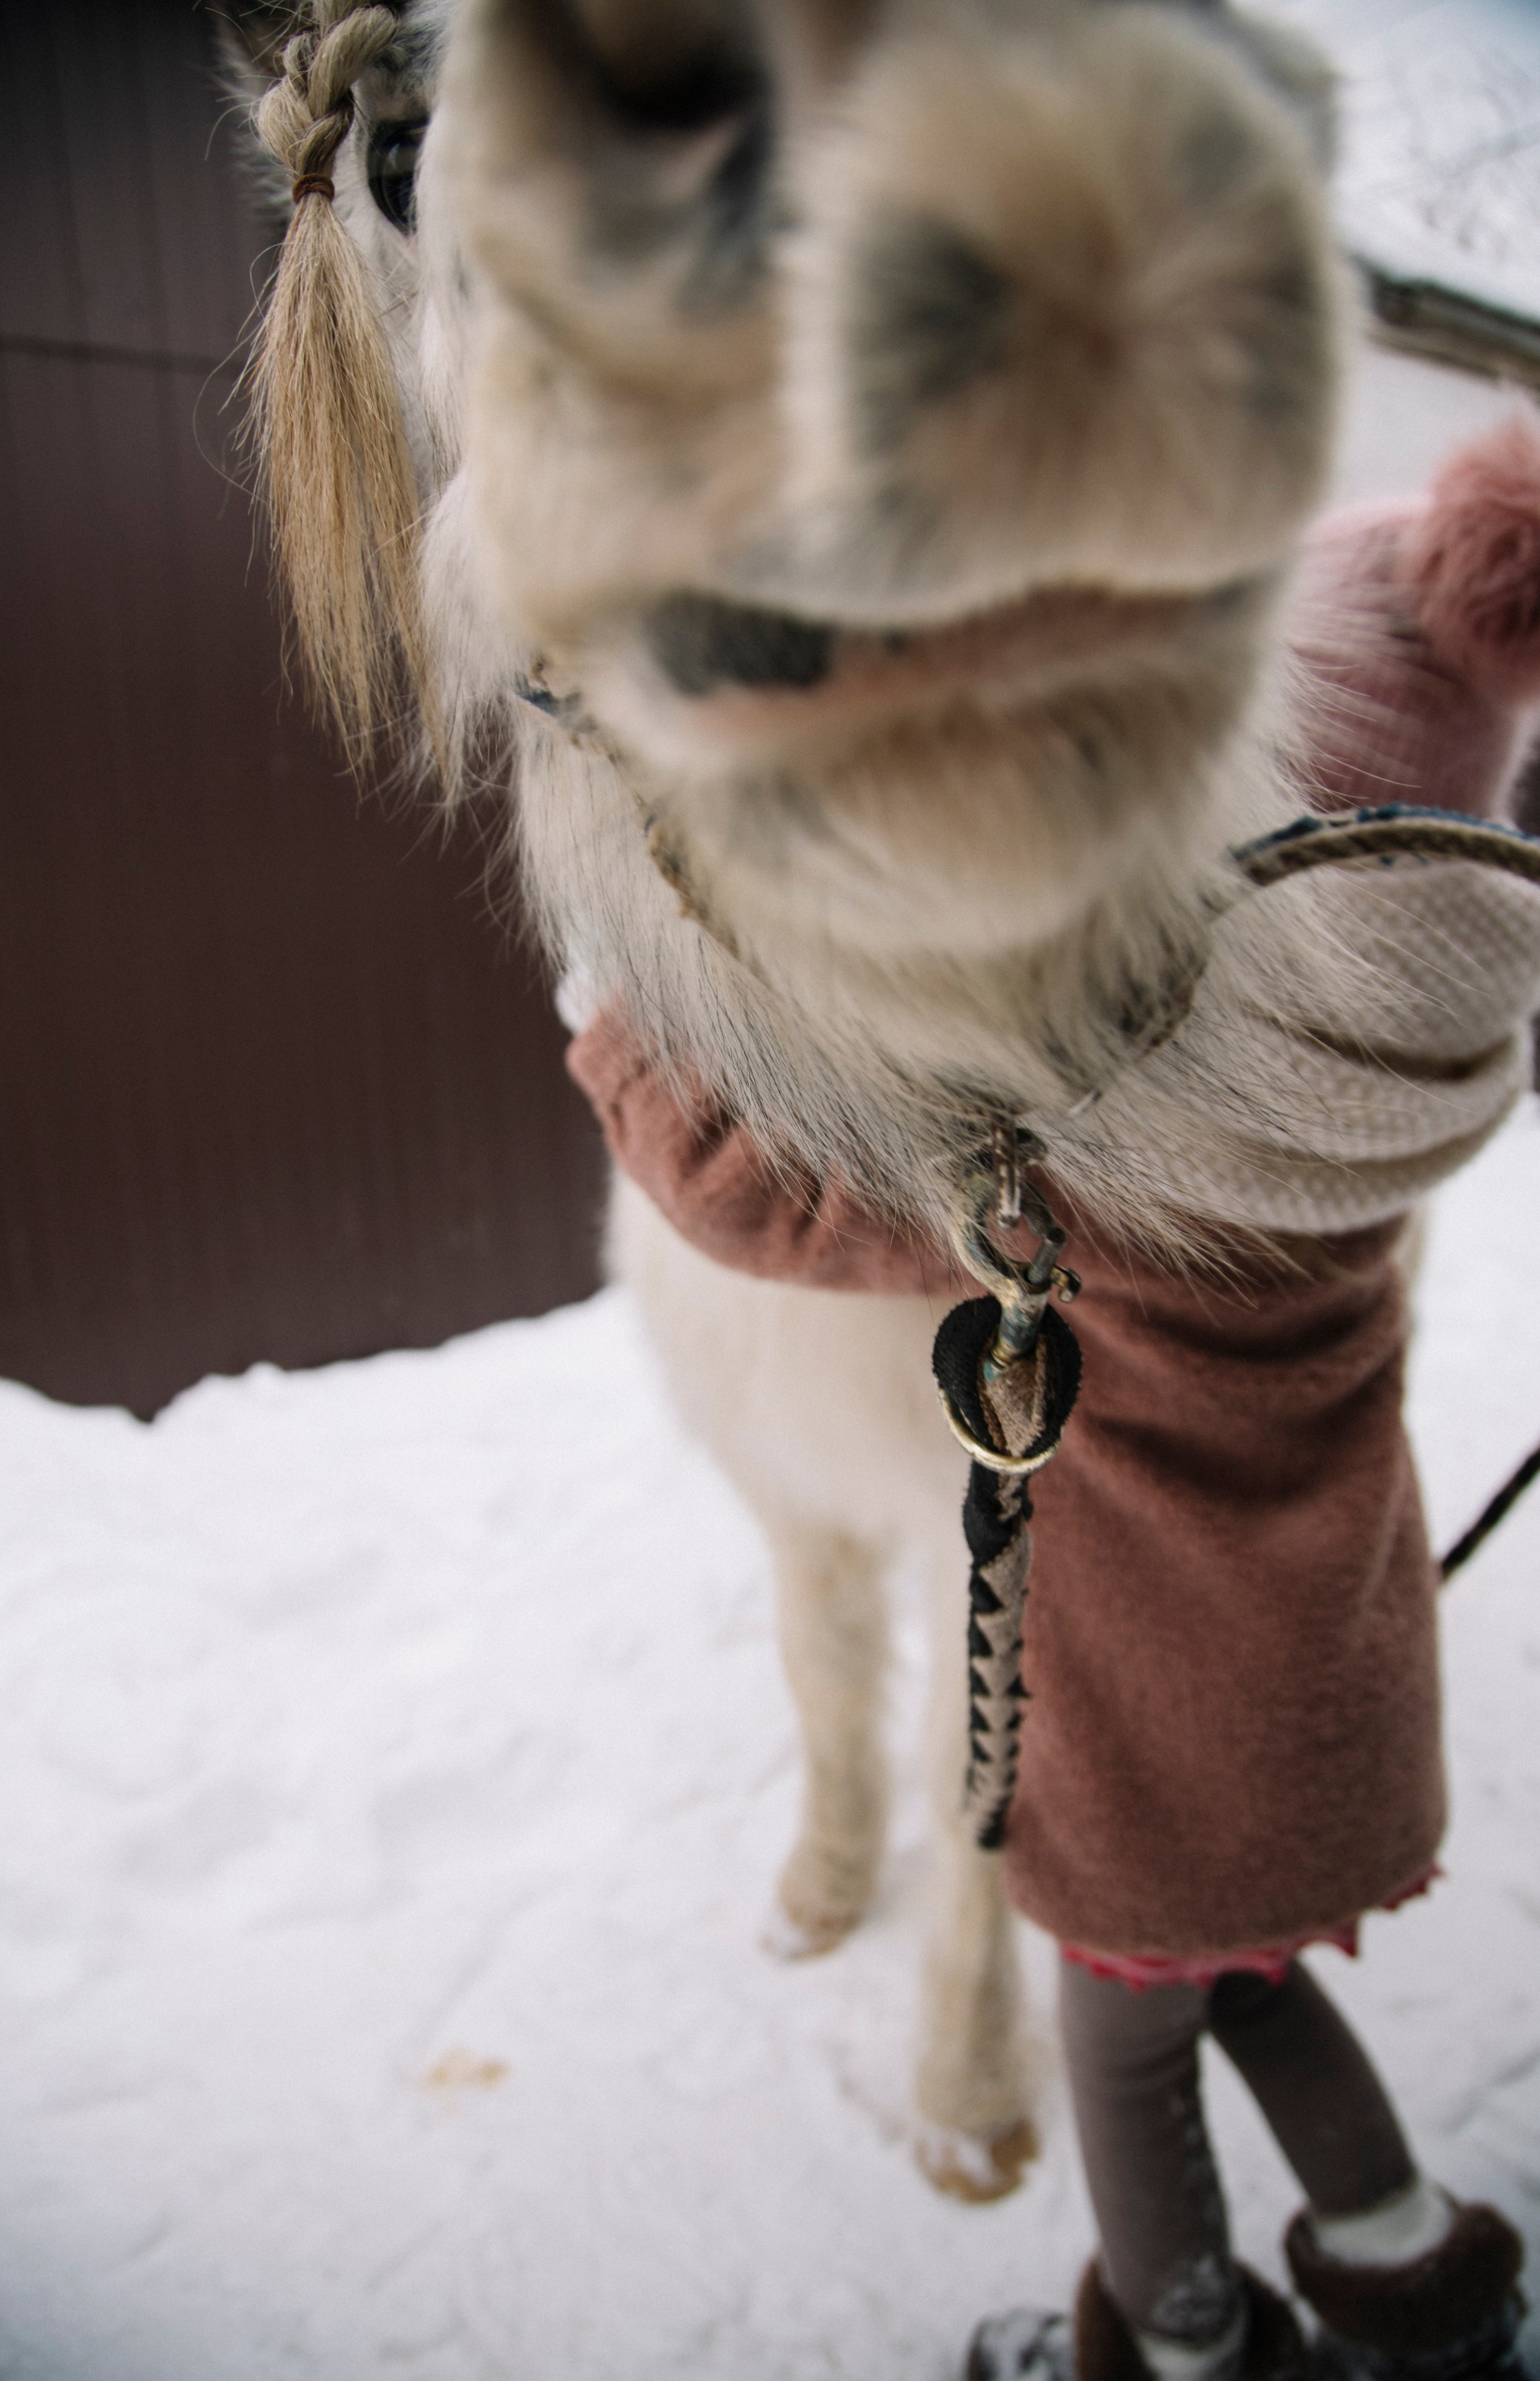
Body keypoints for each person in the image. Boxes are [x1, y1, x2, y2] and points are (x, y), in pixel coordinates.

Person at [565, 424, 1540, 2381]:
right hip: (1333, 1724)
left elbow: (761, 1192)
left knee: (1124, 2044)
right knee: (1265, 1998)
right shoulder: (1383, 1148)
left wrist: (617, 993)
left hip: (1153, 1765)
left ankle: (1179, 2343)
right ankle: (1417, 2269)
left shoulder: (1090, 1181)